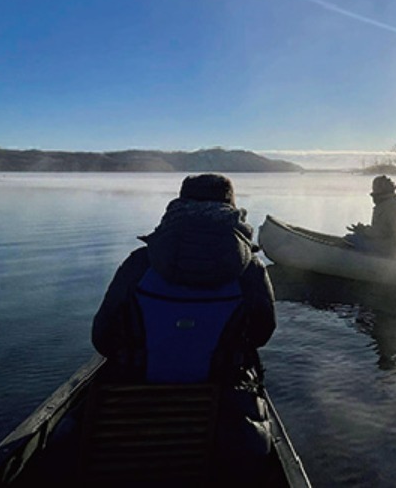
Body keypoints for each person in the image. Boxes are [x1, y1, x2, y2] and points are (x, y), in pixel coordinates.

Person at [91, 173, 276, 479]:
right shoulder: (250, 271)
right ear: (231, 206)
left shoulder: (140, 263)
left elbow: (102, 339)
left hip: (132, 405)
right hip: (221, 410)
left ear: (178, 203)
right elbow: (261, 335)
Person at [345, 174, 396, 255]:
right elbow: (381, 229)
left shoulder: (389, 206)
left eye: (375, 187)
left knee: (350, 239)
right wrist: (363, 230)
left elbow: (381, 232)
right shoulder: (388, 203)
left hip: (391, 247)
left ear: (382, 189)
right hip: (393, 244)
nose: (373, 190)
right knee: (354, 239)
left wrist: (363, 231)